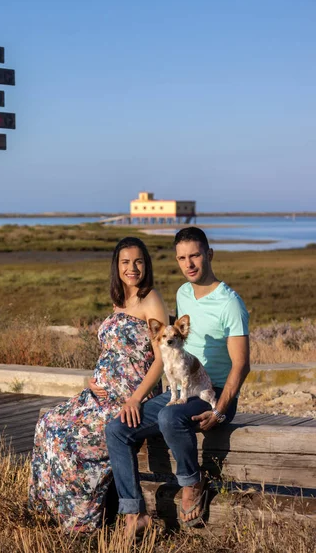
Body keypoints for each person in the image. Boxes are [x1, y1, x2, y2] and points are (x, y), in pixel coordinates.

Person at [105, 227, 250, 534]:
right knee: (117, 428)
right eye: (182, 258)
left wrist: (221, 409)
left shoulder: (230, 303)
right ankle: (134, 513)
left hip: (214, 391)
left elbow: (242, 365)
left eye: (195, 255)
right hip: (180, 389)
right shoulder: (183, 293)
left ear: (209, 255)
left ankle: (191, 482)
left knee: (171, 416)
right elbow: (171, 349)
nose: (190, 263)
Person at [28, 237, 168, 532]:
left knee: (68, 441)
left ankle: (82, 520)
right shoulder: (119, 301)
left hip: (130, 398)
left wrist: (135, 399)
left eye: (139, 261)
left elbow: (161, 359)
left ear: (147, 264)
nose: (133, 268)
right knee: (48, 424)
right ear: (117, 267)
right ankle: (53, 513)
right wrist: (92, 380)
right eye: (126, 262)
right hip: (99, 393)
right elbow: (113, 352)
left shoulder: (151, 299)